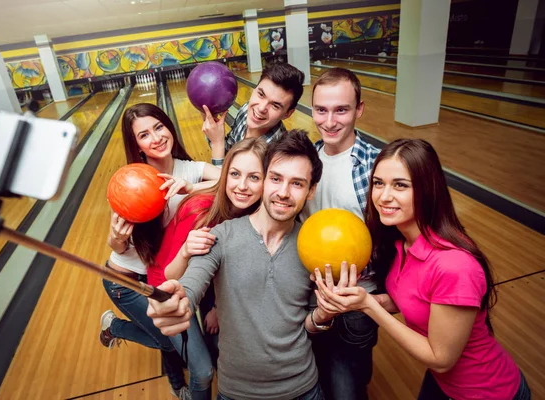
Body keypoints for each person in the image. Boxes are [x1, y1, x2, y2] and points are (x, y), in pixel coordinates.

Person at [313, 139, 532, 400]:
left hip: (486, 391)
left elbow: (441, 359)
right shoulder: (402, 244)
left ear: (428, 189)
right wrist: (361, 300)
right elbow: (412, 296)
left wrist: (368, 306)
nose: (384, 196)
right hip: (441, 384)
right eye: (379, 183)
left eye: (400, 185)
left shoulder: (455, 266)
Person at [147, 129, 333, 400]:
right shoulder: (220, 235)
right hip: (238, 393)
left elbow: (308, 323)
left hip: (304, 388)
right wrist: (177, 301)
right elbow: (190, 284)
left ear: (311, 190)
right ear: (266, 180)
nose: (282, 192)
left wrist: (323, 317)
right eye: (276, 178)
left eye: (297, 183)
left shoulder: (314, 247)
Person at [100, 103, 219, 400]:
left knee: (171, 342)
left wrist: (192, 186)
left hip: (167, 278)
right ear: (136, 146)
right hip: (128, 284)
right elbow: (120, 247)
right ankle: (114, 326)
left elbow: (231, 179)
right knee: (197, 366)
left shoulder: (188, 170)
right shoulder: (133, 183)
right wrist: (115, 240)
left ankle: (174, 378)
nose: (155, 138)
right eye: (144, 135)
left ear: (169, 127)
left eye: (158, 127)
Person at [300, 67, 380, 400]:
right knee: (315, 377)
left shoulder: (377, 167)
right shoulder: (304, 163)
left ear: (359, 109)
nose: (329, 121)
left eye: (341, 110)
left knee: (348, 388)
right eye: (321, 110)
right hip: (309, 294)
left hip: (358, 299)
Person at [201, 62, 304, 166]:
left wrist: (217, 143)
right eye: (261, 94)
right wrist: (209, 120)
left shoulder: (275, 155)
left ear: (288, 113)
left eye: (275, 106)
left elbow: (227, 181)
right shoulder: (246, 111)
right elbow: (229, 150)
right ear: (254, 89)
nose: (261, 108)